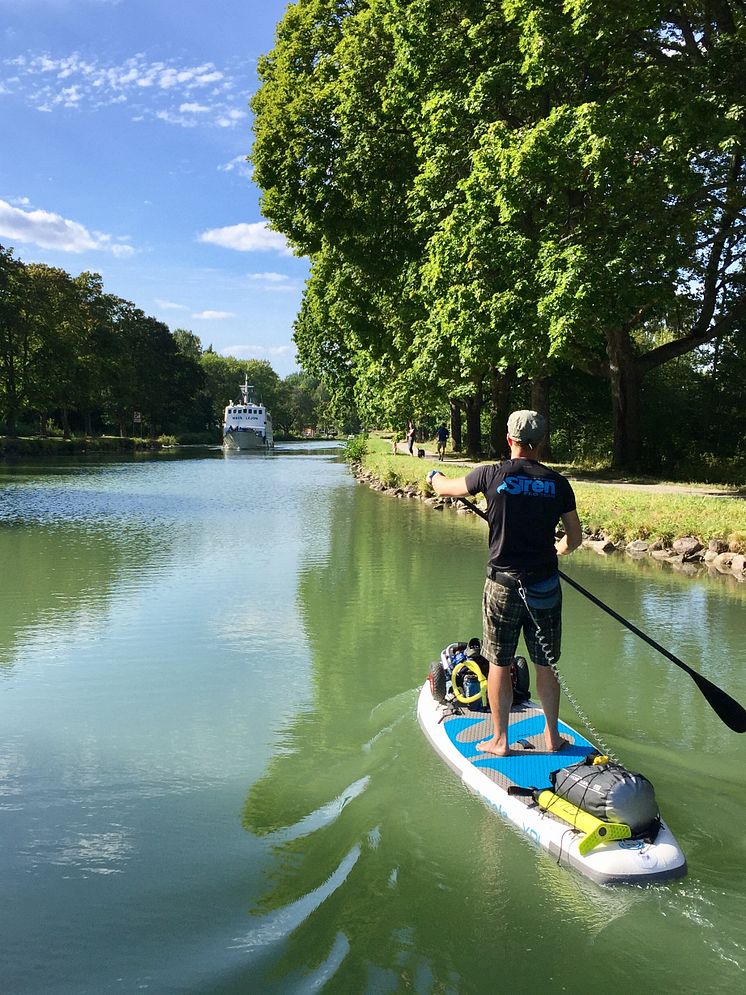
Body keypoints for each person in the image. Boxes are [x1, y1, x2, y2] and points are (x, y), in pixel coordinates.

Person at [426, 410, 582, 757]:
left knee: (499, 662)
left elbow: (447, 488)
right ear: (541, 443)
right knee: (545, 664)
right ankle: (553, 737)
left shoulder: (490, 474)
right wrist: (555, 550)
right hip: (544, 585)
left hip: (502, 586)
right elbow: (574, 538)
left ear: (509, 440)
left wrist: (433, 475)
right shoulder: (558, 484)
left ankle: (500, 741)